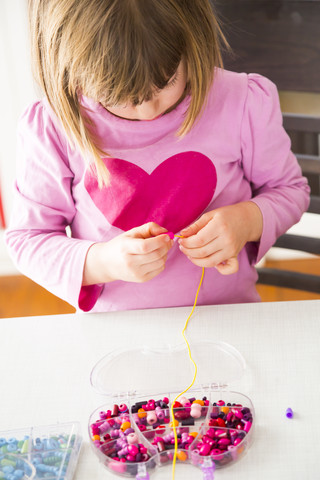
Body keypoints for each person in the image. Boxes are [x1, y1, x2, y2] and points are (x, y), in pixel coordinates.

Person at [5, 0, 310, 312]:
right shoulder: (52, 129)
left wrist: (245, 221)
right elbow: (29, 240)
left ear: (193, 40)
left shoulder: (242, 102)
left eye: (166, 82)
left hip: (228, 317)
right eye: (119, 97)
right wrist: (104, 262)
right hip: (115, 331)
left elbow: (290, 191)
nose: (148, 110)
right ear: (70, 69)